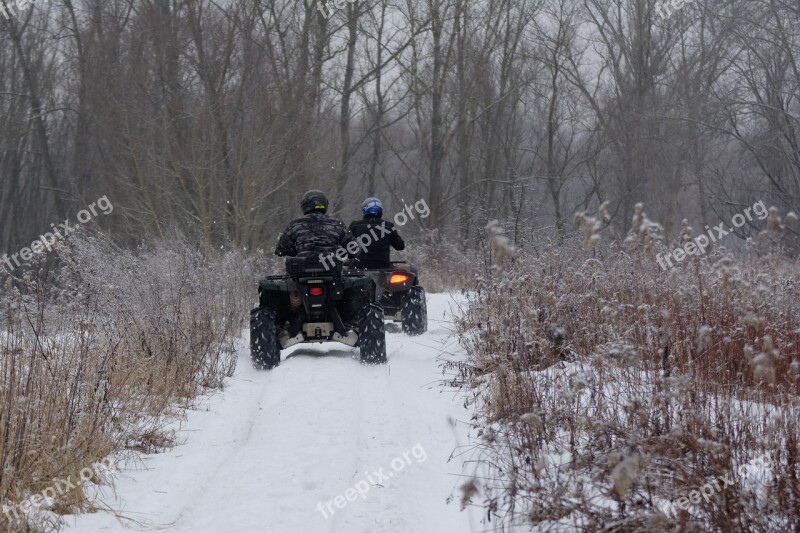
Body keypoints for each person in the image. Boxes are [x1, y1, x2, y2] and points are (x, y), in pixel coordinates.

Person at [275, 190, 354, 259]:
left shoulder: (295, 225)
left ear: (305, 205)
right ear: (325, 204)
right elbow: (353, 249)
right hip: (331, 271)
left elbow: (280, 250)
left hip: (301, 273)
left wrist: (298, 250)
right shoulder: (337, 224)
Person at [348, 197, 405, 269]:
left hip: (360, 267)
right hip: (383, 267)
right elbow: (400, 246)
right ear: (380, 210)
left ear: (364, 210)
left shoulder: (355, 225)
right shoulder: (388, 226)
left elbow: (347, 245)